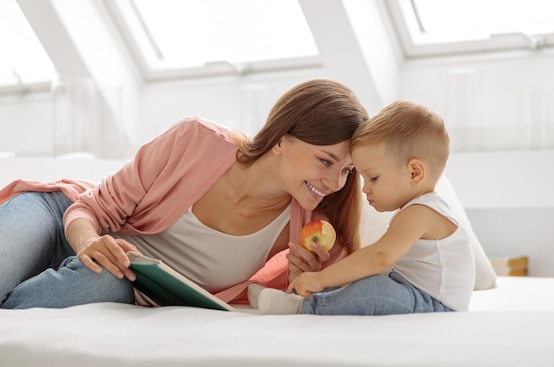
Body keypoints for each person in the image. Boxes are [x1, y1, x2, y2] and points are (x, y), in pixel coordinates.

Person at [0, 79, 369, 309]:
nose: (335, 182)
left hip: (116, 277)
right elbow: (91, 206)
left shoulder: (311, 230)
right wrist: (86, 244)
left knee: (104, 277)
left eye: (346, 170)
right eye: (325, 161)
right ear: (280, 140)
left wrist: (305, 281)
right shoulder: (197, 140)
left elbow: (339, 295)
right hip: (58, 218)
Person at [253, 100, 476, 315]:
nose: (365, 189)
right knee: (362, 282)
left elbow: (380, 257)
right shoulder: (420, 209)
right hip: (409, 289)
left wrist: (320, 279)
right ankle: (300, 296)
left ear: (414, 173)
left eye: (373, 178)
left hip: (435, 304)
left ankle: (303, 307)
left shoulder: (421, 212)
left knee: (376, 291)